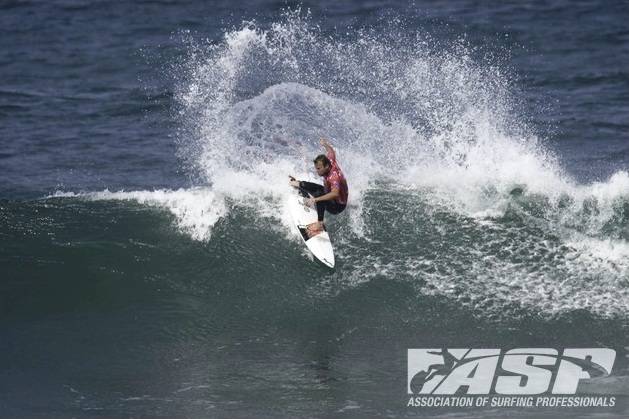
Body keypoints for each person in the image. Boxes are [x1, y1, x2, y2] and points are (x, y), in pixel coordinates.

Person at [290, 138, 348, 236]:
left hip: (337, 206)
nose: (317, 171)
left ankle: (320, 223)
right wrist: (325, 144)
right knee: (306, 185)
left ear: (326, 166)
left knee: (320, 195)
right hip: (330, 193)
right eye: (316, 168)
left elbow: (335, 193)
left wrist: (317, 199)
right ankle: (296, 184)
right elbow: (331, 152)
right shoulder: (330, 161)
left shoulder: (333, 178)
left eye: (319, 169)